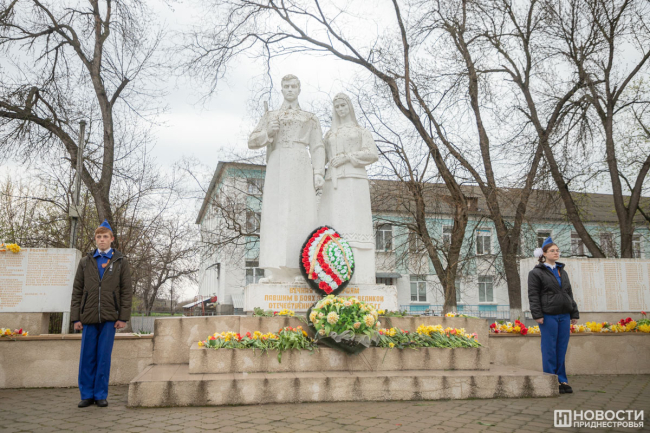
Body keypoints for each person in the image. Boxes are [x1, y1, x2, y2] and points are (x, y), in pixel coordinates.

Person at [248, 74, 326, 282]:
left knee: (302, 213)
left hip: (300, 162)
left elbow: (317, 146)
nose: (290, 89)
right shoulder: (271, 116)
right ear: (282, 90)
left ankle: (301, 268)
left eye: (293, 86)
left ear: (299, 89)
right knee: (276, 214)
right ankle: (276, 270)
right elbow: (252, 140)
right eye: (286, 86)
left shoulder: (310, 117)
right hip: (278, 162)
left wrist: (319, 172)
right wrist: (268, 132)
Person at [70, 220, 132, 408]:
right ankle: (86, 395)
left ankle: (100, 395)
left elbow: (126, 291)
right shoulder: (85, 261)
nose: (102, 240)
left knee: (103, 357)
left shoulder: (120, 262)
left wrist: (123, 317)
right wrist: (76, 318)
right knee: (87, 357)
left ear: (112, 239)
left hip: (110, 317)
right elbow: (77, 291)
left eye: (105, 236)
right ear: (95, 239)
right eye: (99, 237)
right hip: (88, 317)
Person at [318, 93, 379, 284]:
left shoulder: (360, 131)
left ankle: (359, 271)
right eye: (337, 106)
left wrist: (347, 157)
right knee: (333, 221)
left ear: (349, 107)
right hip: (332, 181)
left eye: (343, 105)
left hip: (354, 180)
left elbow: (372, 153)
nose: (340, 109)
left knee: (354, 221)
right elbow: (321, 158)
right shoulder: (329, 134)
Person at [528, 237, 579, 394]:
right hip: (548, 315)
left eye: (557, 250)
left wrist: (574, 312)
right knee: (549, 348)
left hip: (564, 315)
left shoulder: (562, 271)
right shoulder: (536, 273)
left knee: (561, 348)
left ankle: (562, 380)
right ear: (544, 254)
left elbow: (569, 293)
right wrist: (537, 314)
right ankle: (550, 379)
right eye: (552, 251)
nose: (556, 253)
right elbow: (533, 295)